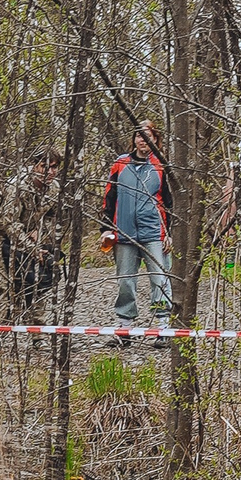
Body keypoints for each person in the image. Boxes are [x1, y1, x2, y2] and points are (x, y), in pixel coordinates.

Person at [101, 120, 174, 335]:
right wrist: (105, 229)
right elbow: (109, 198)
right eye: (139, 135)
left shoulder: (161, 166)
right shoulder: (120, 164)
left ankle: (163, 325)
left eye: (147, 135)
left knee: (159, 279)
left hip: (153, 232)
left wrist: (169, 233)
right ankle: (125, 325)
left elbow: (169, 203)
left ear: (155, 138)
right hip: (123, 233)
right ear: (134, 139)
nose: (143, 140)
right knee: (125, 281)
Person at [0, 150, 63, 315]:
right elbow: (9, 223)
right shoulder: (18, 186)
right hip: (1, 237)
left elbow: (52, 216)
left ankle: (37, 335)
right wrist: (31, 248)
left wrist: (39, 231)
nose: (50, 172)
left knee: (38, 283)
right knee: (7, 287)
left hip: (31, 235)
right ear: (35, 166)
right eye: (44, 167)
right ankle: (1, 331)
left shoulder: (54, 188)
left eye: (54, 167)